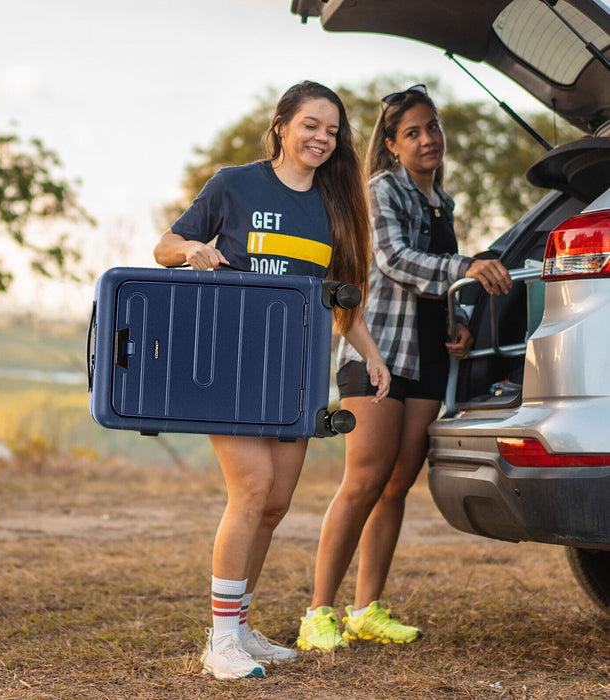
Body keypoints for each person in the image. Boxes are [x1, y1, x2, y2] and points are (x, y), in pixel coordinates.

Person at [153, 80, 390, 680]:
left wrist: (371, 354)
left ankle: (242, 627)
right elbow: (163, 246)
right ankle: (220, 642)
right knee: (253, 488)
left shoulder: (335, 204)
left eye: (333, 131)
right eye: (311, 124)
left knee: (276, 504)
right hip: (229, 365)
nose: (322, 138)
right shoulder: (234, 184)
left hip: (297, 373)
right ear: (282, 124)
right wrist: (191, 252)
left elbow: (341, 300)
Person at [296, 84, 513, 652]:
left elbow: (436, 283)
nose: (428, 139)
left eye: (433, 128)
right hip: (376, 354)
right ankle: (317, 613)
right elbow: (392, 260)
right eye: (413, 132)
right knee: (364, 480)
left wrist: (456, 319)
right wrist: (467, 266)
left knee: (396, 485)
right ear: (391, 145)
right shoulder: (381, 190)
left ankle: (365, 609)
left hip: (428, 356)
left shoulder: (443, 201)